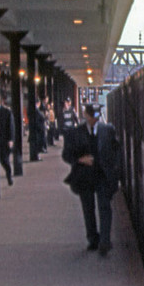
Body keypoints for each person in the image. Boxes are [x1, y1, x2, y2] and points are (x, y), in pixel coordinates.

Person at [62, 104, 121, 256]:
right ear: (86, 116)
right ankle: (93, 239)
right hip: (84, 176)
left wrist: (114, 169)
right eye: (92, 115)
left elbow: (116, 150)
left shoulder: (108, 130)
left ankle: (105, 241)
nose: (95, 119)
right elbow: (66, 155)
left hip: (102, 175)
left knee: (104, 207)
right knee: (88, 209)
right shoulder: (75, 133)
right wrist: (80, 159)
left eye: (97, 115)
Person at [0, 90, 15, 186]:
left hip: (4, 141)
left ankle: (9, 175)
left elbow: (11, 127)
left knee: (4, 160)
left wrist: (11, 139)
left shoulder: (6, 112)